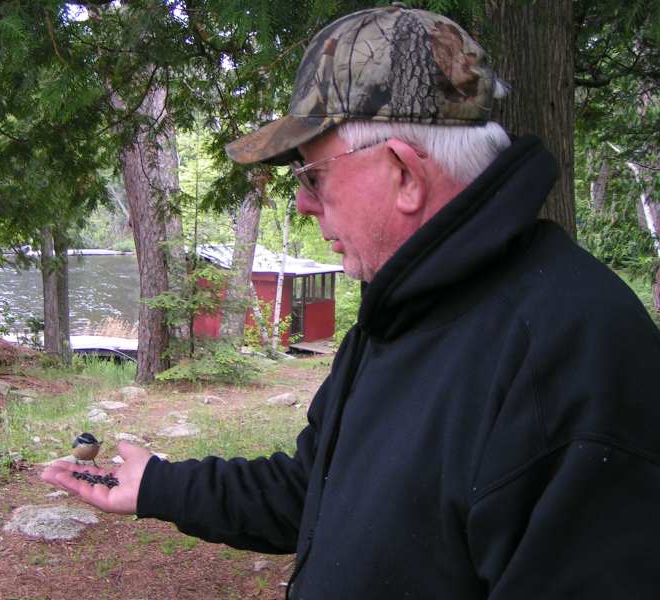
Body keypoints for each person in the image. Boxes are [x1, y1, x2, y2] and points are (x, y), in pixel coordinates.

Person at [42, 5, 660, 598]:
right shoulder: (400, 313)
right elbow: (314, 489)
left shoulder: (571, 356)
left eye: (313, 176)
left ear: (404, 174)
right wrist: (161, 486)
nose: (305, 203)